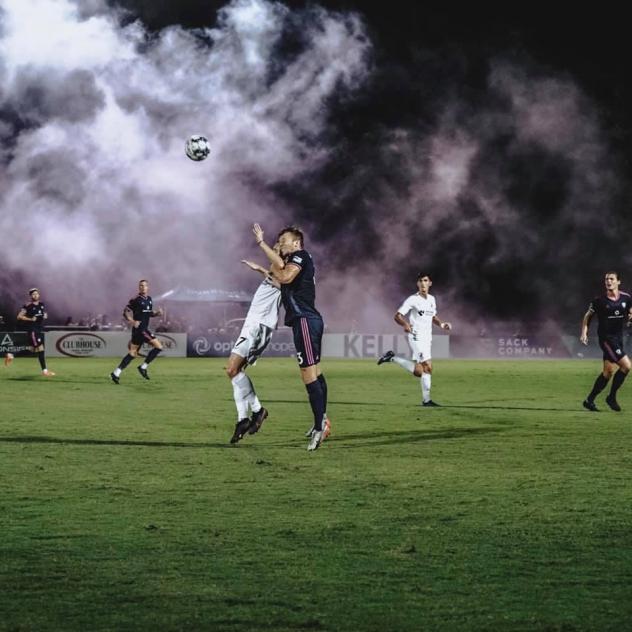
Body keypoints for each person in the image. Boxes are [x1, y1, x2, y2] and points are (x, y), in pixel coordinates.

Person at [254, 223, 331, 451]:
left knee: (308, 375)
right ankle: (322, 419)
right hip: (306, 320)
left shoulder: (300, 255)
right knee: (315, 372)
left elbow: (285, 277)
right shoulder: (295, 260)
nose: (281, 244)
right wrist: (263, 267)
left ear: (296, 243)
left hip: (305, 320)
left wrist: (262, 244)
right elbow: (279, 278)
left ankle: (320, 427)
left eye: (283, 241)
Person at [227, 248, 283, 444]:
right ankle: (243, 419)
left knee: (232, 369)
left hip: (259, 327)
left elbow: (282, 285)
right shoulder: (272, 276)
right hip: (253, 325)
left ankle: (258, 411)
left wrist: (259, 268)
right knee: (234, 372)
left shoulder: (283, 276)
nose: (273, 252)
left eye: (276, 249)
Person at [377, 273, 451, 406]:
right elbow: (397, 316)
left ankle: (392, 358)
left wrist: (442, 324)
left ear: (430, 283)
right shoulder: (412, 299)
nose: (423, 283)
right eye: (420, 281)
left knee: (419, 371)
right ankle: (426, 401)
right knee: (428, 367)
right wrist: (405, 324)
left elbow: (433, 316)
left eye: (425, 280)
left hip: (427, 338)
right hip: (416, 336)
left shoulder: (432, 299)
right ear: (418, 284)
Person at [580, 271, 632, 412]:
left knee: (607, 373)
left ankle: (589, 400)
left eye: (611, 279)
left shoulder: (626, 298)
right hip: (606, 339)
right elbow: (588, 316)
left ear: (618, 282)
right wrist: (584, 332)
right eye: (606, 279)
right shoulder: (599, 300)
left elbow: (630, 311)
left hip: (618, 338)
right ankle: (611, 397)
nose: (608, 281)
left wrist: (630, 317)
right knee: (627, 366)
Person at [110, 280, 163, 384]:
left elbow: (149, 313)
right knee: (159, 347)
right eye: (141, 286)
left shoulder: (149, 299)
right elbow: (125, 312)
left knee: (133, 353)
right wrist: (132, 321)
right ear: (139, 288)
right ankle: (143, 367)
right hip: (141, 330)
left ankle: (116, 373)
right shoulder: (135, 300)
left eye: (145, 286)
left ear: (148, 287)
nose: (143, 287)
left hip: (139, 330)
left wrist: (157, 313)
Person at [16, 288, 55, 376]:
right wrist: (30, 319)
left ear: (39, 295)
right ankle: (45, 371)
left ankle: (11, 355)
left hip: (39, 329)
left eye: (37, 294)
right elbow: (19, 317)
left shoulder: (42, 304)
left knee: (32, 350)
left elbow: (43, 314)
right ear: (30, 296)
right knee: (40, 349)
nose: (35, 295)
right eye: (33, 294)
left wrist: (45, 316)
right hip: (32, 330)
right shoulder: (27, 305)